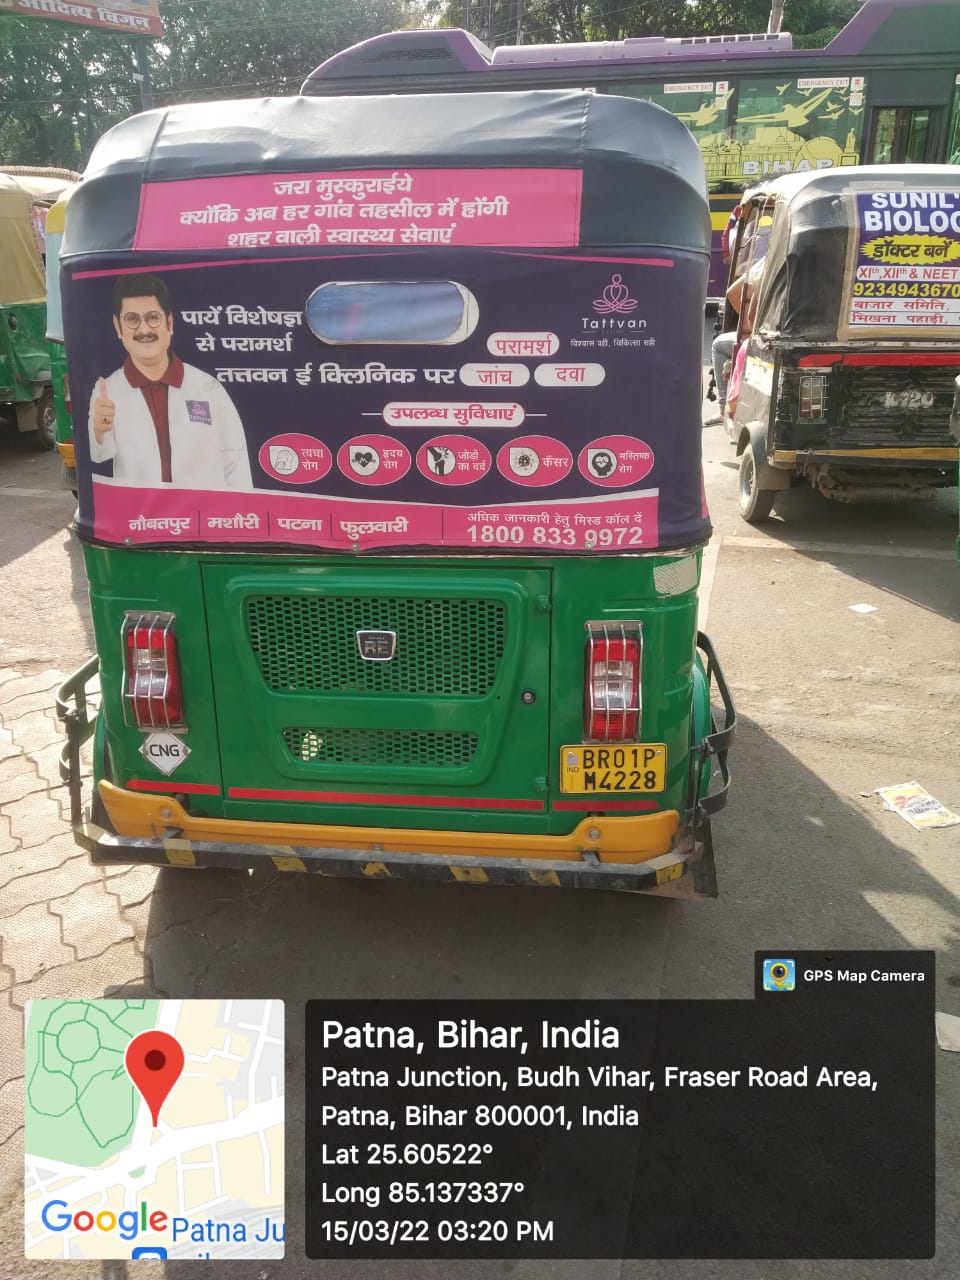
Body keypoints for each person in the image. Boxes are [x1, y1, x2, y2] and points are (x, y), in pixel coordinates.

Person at [89, 273, 253, 489]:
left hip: (202, 509)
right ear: (118, 327)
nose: (144, 329)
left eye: (153, 317)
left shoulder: (208, 387)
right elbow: (99, 454)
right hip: (142, 510)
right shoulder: (107, 391)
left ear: (169, 322)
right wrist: (99, 431)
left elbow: (236, 462)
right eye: (132, 319)